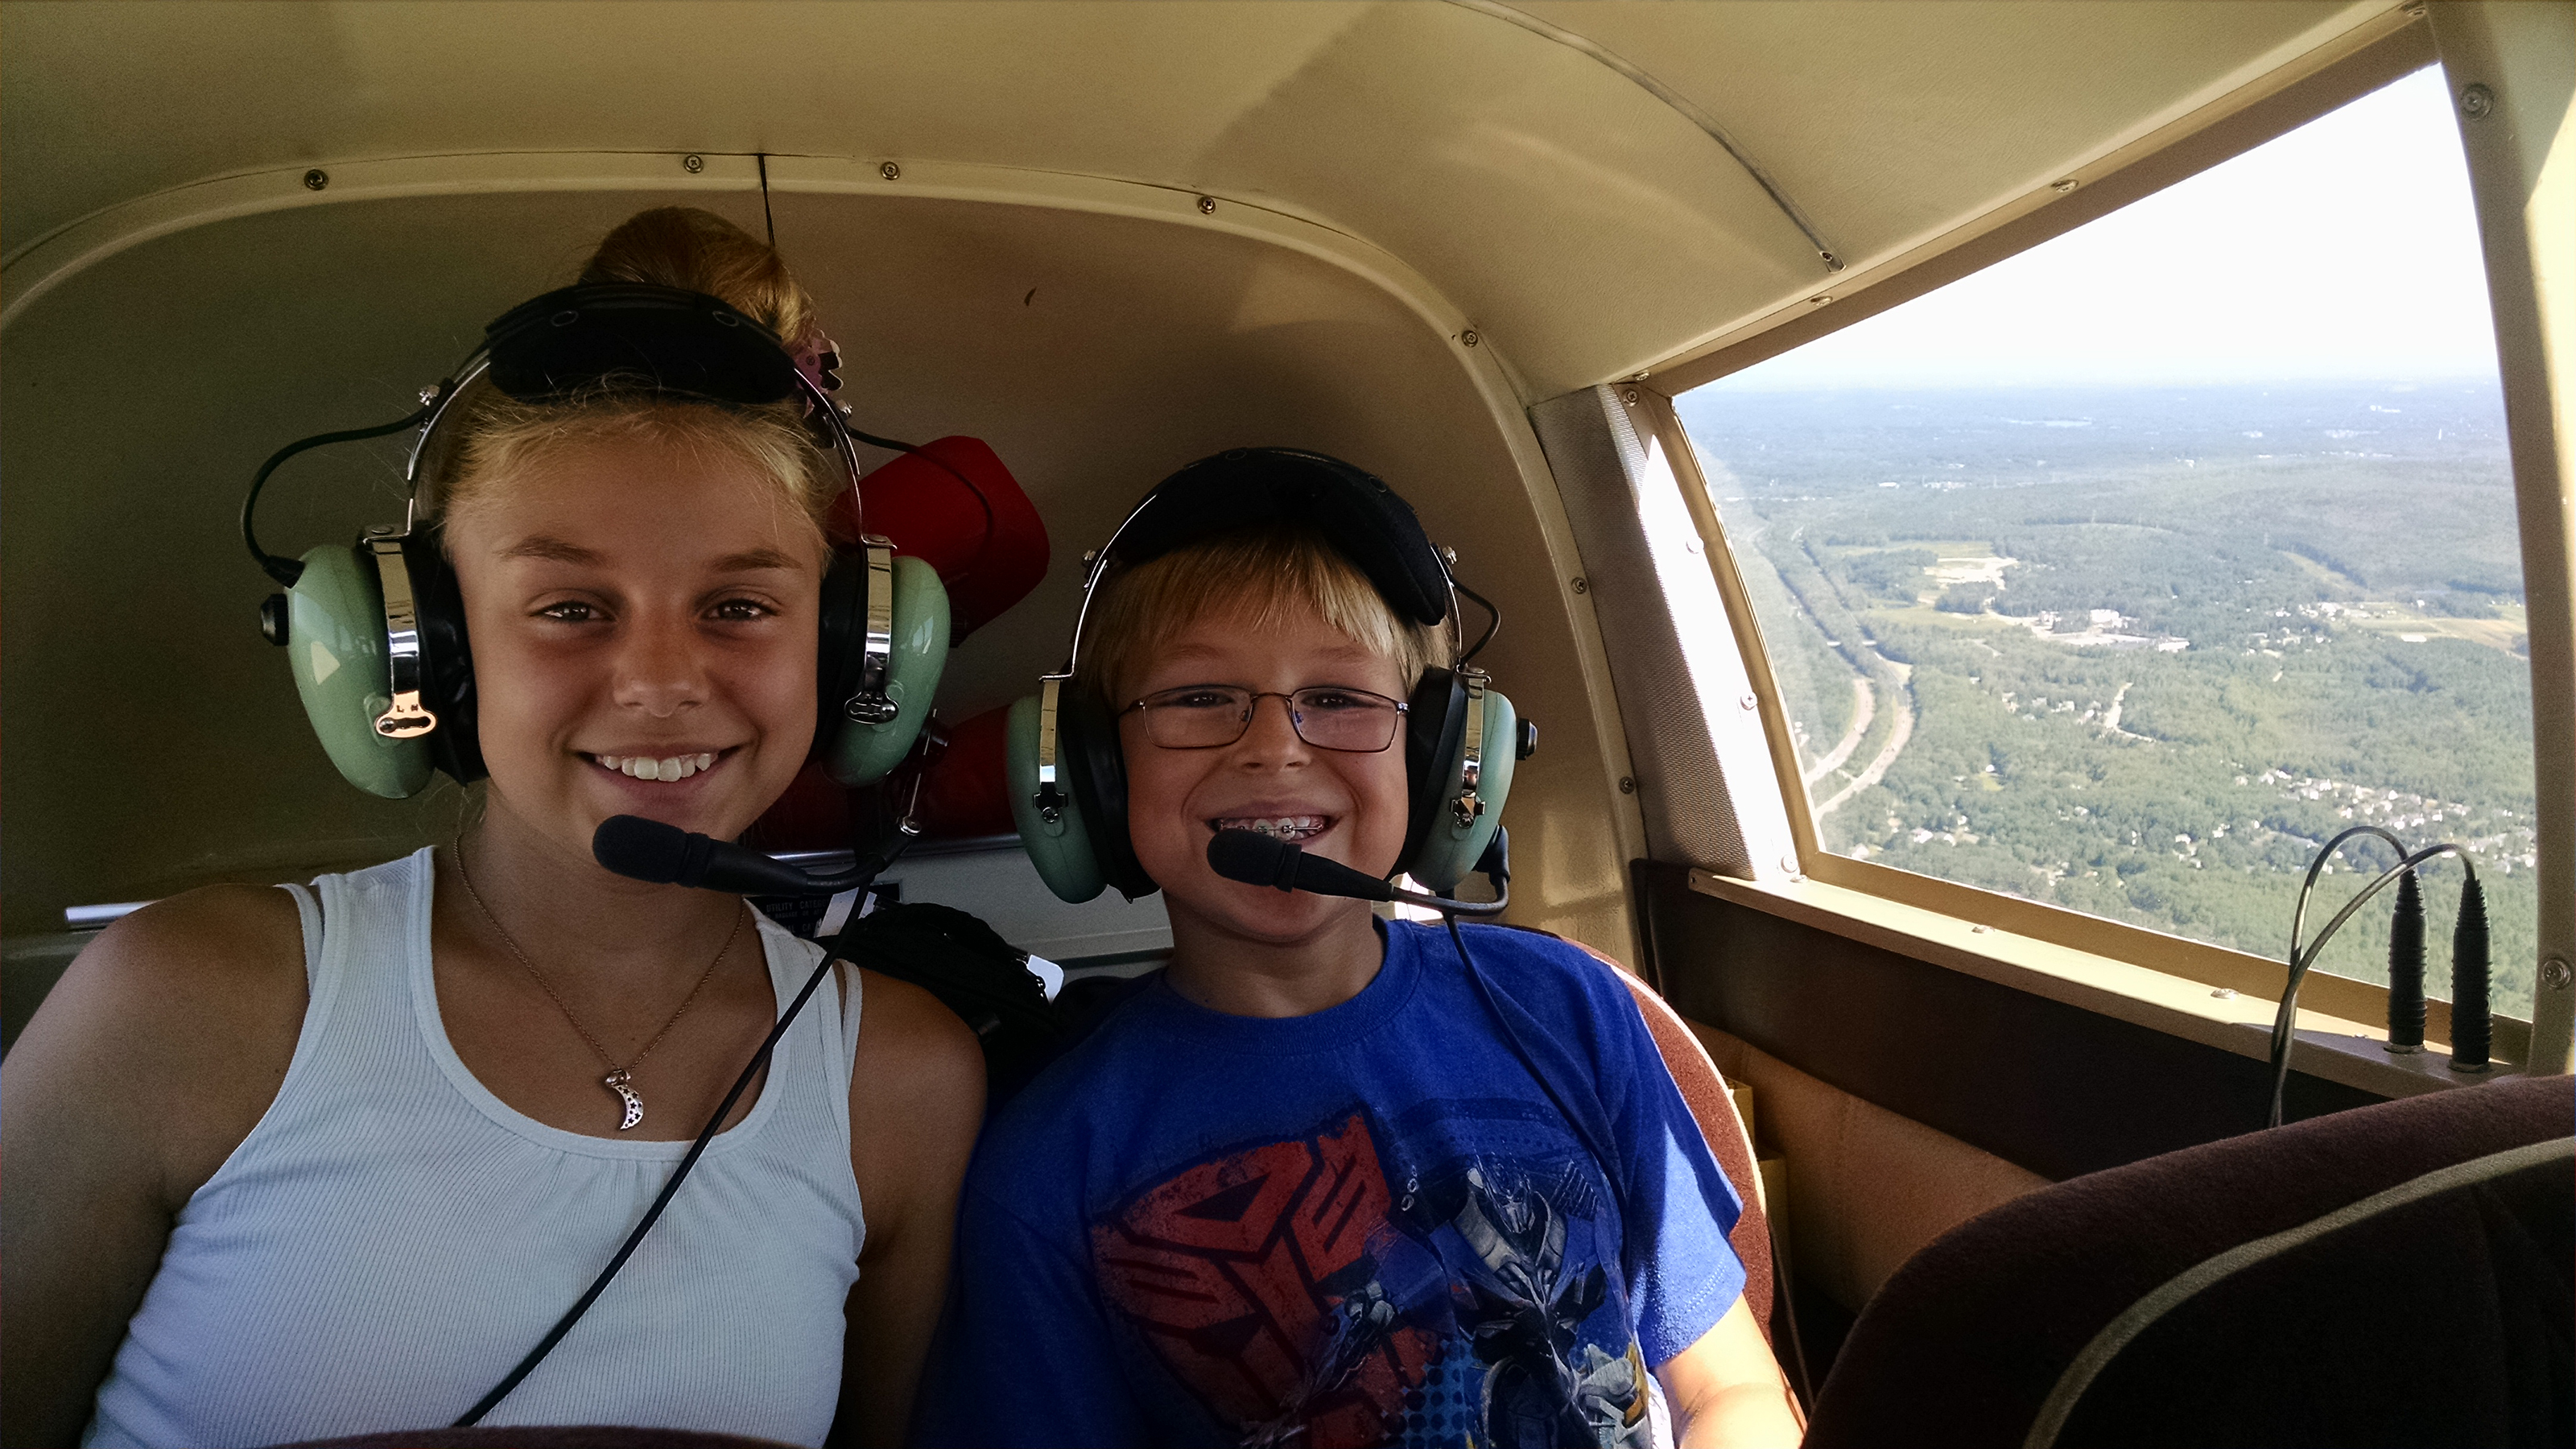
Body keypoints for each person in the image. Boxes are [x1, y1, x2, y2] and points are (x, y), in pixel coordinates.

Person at [0, 208, 985, 1449]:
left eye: (739, 603)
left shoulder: (901, 1081)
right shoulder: (194, 1004)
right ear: (431, 651)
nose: (661, 679)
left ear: (847, 652)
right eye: (570, 606)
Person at [917, 453, 1802, 1447]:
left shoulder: (1566, 1007)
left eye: (1338, 698)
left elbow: (1733, 1392)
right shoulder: (1050, 1161)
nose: (1274, 748)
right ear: (1093, 770)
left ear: (1439, 760)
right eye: (1199, 696)